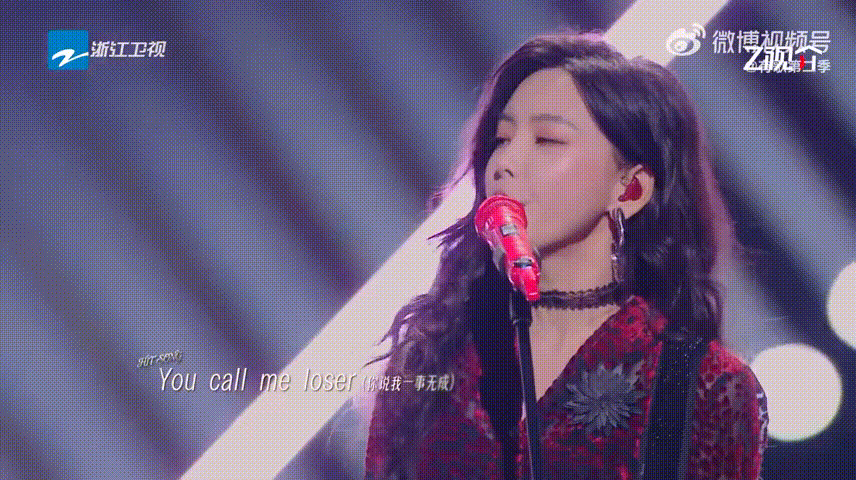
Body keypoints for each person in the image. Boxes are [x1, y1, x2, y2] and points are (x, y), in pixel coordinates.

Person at [362, 32, 769, 480]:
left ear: (630, 189)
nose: (503, 163)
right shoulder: (430, 359)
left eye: (547, 139)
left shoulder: (703, 383)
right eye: (501, 138)